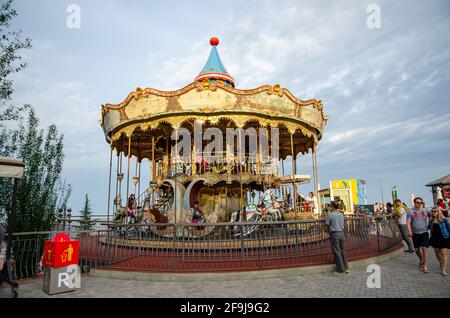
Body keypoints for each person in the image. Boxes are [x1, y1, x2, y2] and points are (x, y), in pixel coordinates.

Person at [407, 197, 432, 273]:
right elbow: (408, 222)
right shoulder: (410, 211)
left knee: (425, 249)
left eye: (421, 202)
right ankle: (421, 259)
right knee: (417, 250)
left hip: (424, 232)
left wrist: (430, 222)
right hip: (415, 233)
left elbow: (432, 215)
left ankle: (425, 266)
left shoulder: (425, 210)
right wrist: (409, 231)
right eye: (417, 202)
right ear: (414, 203)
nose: (419, 204)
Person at [325, 200, 348, 274]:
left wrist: (326, 214)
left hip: (335, 234)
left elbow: (327, 223)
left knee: (337, 251)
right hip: (342, 233)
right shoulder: (341, 214)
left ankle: (340, 270)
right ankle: (346, 268)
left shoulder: (330, 214)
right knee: (343, 251)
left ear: (332, 206)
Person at [429, 206, 450, 276]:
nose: (433, 213)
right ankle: (441, 263)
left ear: (438, 212)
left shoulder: (444, 220)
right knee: (437, 253)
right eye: (432, 211)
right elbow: (428, 228)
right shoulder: (431, 221)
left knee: (444, 253)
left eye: (435, 211)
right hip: (435, 239)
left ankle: (443, 270)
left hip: (444, 238)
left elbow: (449, 228)